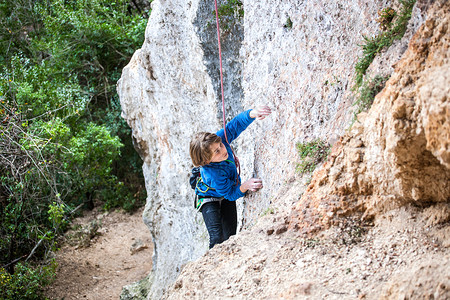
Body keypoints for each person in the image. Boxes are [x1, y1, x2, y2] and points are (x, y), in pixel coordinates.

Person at [189, 105, 272, 248]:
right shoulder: (212, 174)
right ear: (206, 161)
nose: (222, 150)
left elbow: (234, 126)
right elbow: (230, 194)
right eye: (216, 152)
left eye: (220, 145)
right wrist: (245, 186)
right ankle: (211, 267)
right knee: (217, 237)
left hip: (227, 189)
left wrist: (252, 113)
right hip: (208, 197)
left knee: (230, 236)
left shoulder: (220, 140)